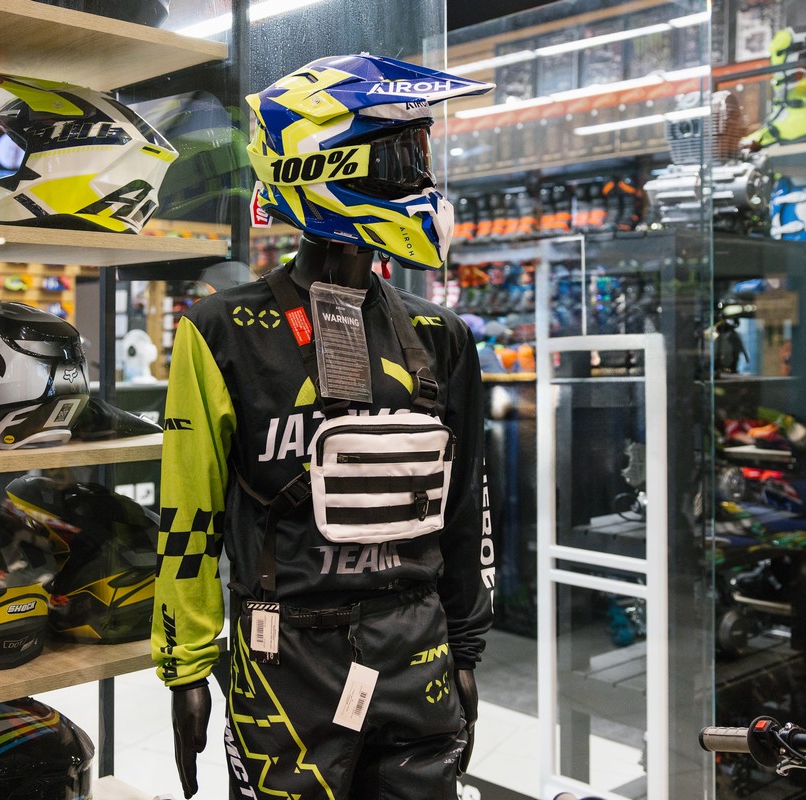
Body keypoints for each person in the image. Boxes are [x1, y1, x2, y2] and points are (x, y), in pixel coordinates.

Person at [151, 55, 495, 799]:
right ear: (323, 165)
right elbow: (188, 510)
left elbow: (466, 504)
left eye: (419, 157)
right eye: (399, 159)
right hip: (285, 657)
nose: (419, 180)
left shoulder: (441, 336)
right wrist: (186, 668)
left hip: (418, 644)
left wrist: (465, 648)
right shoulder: (222, 329)